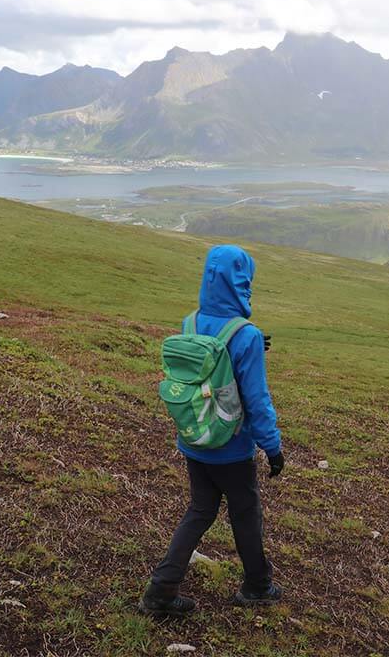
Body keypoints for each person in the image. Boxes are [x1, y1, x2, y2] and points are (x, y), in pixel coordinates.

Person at [139, 244, 285, 615]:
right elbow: (256, 398)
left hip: (195, 438)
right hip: (232, 447)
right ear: (241, 282)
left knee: (200, 510)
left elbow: (206, 365)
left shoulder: (191, 321)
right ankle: (257, 585)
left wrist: (253, 343)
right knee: (245, 513)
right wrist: (272, 446)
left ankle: (161, 591)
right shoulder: (245, 335)